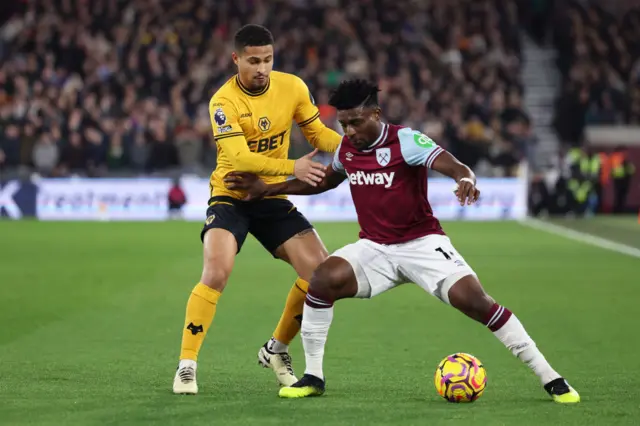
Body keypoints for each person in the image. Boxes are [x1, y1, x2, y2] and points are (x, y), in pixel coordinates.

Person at [225, 80, 580, 404]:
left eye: (356, 122)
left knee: (475, 301)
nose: (349, 131)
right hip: (375, 248)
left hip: (422, 243)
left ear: (375, 114)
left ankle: (551, 377)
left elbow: (453, 164)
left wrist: (465, 179)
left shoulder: (406, 140)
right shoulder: (347, 149)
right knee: (321, 278)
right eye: (343, 124)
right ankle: (314, 376)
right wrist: (268, 190)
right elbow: (322, 182)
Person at [172, 24, 343, 395]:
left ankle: (277, 350)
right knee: (217, 271)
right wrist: (292, 166)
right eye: (253, 61)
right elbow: (238, 157)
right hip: (231, 195)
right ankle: (187, 365)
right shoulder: (223, 101)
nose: (261, 68)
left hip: (270, 197)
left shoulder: (293, 87)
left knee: (321, 275)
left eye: (267, 59)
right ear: (236, 59)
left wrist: (354, 146)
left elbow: (318, 135)